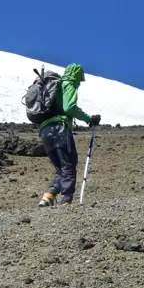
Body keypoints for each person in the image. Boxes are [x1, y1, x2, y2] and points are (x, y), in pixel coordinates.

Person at [38, 63, 100, 207]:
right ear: (76, 76)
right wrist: (90, 119)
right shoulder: (68, 83)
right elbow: (69, 107)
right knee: (69, 164)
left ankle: (49, 195)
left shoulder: (55, 86)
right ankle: (67, 200)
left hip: (45, 131)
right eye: (79, 79)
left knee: (61, 167)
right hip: (60, 129)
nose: (79, 83)